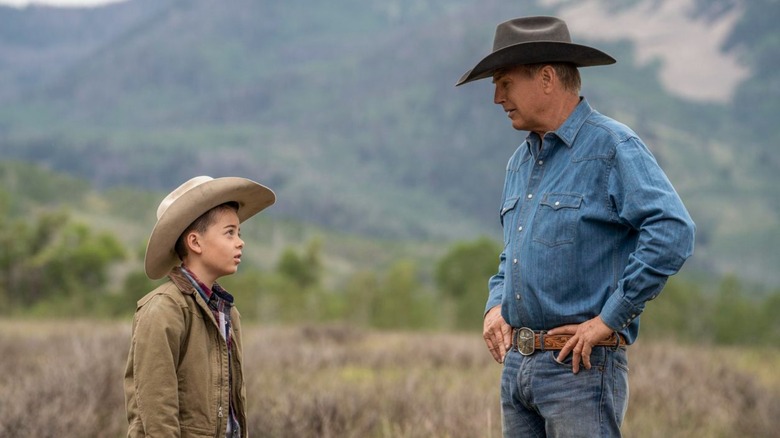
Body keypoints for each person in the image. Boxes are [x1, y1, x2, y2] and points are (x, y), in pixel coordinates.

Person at [456, 16, 695, 437]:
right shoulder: (520, 163)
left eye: (505, 82)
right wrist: (496, 304)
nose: (496, 97)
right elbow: (511, 254)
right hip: (518, 368)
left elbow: (672, 231)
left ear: (546, 78)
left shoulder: (612, 147)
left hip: (580, 370)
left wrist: (611, 318)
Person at [124, 175, 276, 438]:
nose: (240, 242)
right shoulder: (164, 310)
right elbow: (156, 413)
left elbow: (231, 410)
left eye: (239, 233)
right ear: (195, 243)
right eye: (229, 233)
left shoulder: (227, 313)